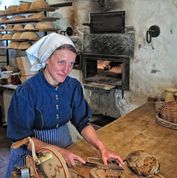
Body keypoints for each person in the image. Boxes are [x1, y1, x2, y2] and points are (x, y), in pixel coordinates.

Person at [5, 32, 124, 177]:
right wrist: (60, 152)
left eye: (71, 64)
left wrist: (102, 148)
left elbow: (83, 122)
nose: (66, 70)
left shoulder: (73, 86)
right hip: (31, 153)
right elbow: (23, 138)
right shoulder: (26, 92)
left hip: (65, 146)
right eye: (61, 62)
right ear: (47, 59)